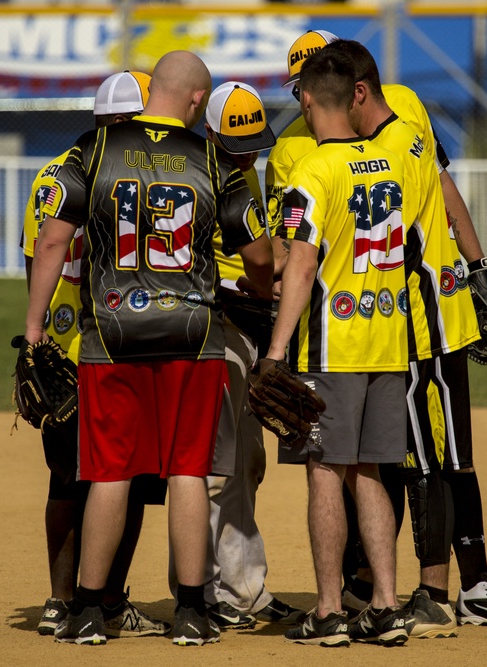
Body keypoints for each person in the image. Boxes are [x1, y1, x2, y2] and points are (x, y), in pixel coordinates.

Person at [268, 32, 487, 632]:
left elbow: (438, 188)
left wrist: (478, 267)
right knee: (396, 462)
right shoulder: (352, 132)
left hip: (419, 321)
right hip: (398, 322)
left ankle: (451, 587)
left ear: (347, 89)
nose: (303, 105)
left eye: (308, 92)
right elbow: (438, 190)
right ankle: (398, 590)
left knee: (426, 460)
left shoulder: (367, 133)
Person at [23, 50, 274, 648]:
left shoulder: (93, 149)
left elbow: (54, 239)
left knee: (109, 473)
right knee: (188, 470)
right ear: (195, 101)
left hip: (109, 334)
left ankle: (87, 611)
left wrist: (33, 331)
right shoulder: (214, 160)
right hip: (193, 335)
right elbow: (260, 255)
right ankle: (190, 612)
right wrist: (261, 297)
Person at [264, 47, 412, 648]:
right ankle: (387, 604)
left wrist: (275, 353)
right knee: (371, 471)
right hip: (388, 340)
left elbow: (299, 269)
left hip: (333, 344)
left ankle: (328, 611)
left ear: (304, 100)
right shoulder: (385, 162)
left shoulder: (311, 174)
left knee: (325, 470)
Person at [21, 70, 170, 641]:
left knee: (69, 476)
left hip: (64, 338)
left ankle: (68, 601)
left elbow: (36, 257)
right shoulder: (150, 167)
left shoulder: (53, 172)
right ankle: (101, 600)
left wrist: (34, 335)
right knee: (125, 475)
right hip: (124, 337)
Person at [170, 80, 302, 629]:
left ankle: (243, 587)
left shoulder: (243, 168)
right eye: (237, 143)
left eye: (254, 143)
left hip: (247, 326)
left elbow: (260, 248)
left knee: (247, 461)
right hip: (212, 326)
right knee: (213, 467)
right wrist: (255, 281)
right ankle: (198, 590)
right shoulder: (196, 172)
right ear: (209, 131)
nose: (248, 153)